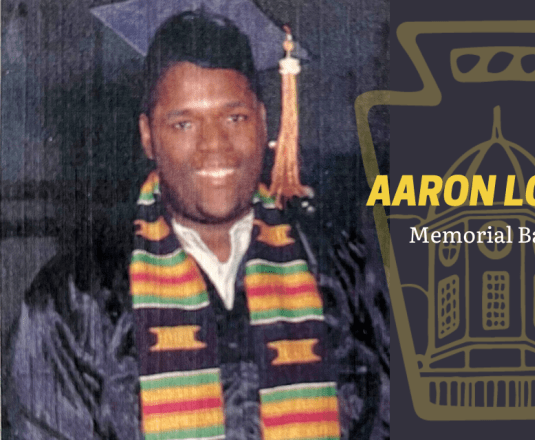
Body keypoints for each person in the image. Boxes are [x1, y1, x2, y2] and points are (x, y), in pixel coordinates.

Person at [4, 10, 389, 440]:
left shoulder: (343, 269)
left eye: (234, 118)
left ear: (264, 123)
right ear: (148, 137)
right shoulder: (75, 299)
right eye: (183, 123)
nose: (214, 147)